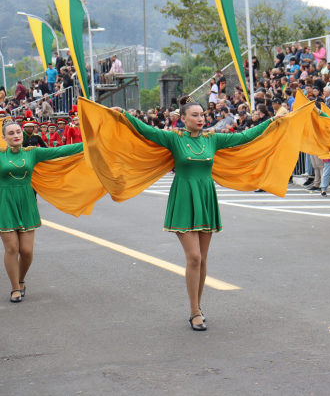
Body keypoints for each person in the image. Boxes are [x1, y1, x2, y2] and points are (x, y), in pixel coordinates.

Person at [92, 96, 296, 331]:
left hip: (206, 197)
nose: (200, 119)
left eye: (202, 115)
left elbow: (243, 136)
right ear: (183, 118)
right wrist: (123, 115)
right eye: (195, 115)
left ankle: (198, 306)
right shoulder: (173, 138)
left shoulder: (212, 139)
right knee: (194, 257)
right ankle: (194, 311)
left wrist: (271, 122)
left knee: (203, 258)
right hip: (183, 198)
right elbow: (145, 130)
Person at [0, 117, 97, 303]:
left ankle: (21, 281)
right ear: (4, 137)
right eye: (10, 133)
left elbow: (60, 150)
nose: (16, 135)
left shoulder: (32, 153)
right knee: (12, 248)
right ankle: (14, 288)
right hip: (4, 203)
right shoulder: (0, 154)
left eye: (18, 132)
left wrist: (89, 144)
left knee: (26, 251)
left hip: (27, 202)